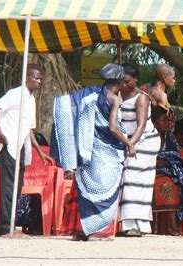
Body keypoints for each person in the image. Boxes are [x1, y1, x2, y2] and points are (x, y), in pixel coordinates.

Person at [53, 64, 136, 241]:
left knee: (84, 191)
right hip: (106, 153)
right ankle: (98, 232)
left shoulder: (91, 94)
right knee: (105, 190)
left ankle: (80, 231)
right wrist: (129, 143)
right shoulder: (114, 99)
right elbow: (113, 128)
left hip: (88, 149)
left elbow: (68, 107)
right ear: (120, 82)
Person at [0, 63, 54, 236]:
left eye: (40, 78)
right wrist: (0, 132)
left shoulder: (31, 100)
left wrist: (40, 152)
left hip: (20, 146)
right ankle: (4, 228)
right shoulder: (16, 94)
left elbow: (29, 130)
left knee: (17, 187)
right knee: (9, 187)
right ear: (26, 77)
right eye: (35, 77)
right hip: (8, 143)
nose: (39, 81)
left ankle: (10, 226)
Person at [118, 63, 161, 237]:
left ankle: (135, 225)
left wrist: (131, 145)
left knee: (134, 180)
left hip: (143, 142)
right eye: (121, 81)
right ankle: (129, 224)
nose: (124, 84)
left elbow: (142, 125)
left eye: (127, 81)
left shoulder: (141, 98)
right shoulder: (117, 94)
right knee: (128, 180)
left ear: (135, 80)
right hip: (128, 142)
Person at [151, 107, 183, 235]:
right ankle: (172, 227)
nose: (169, 123)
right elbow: (144, 158)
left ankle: (173, 226)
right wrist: (157, 163)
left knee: (174, 181)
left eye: (169, 120)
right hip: (148, 171)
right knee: (168, 183)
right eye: (164, 120)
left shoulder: (171, 138)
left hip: (168, 172)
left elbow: (176, 157)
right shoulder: (148, 137)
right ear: (154, 123)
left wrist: (168, 163)